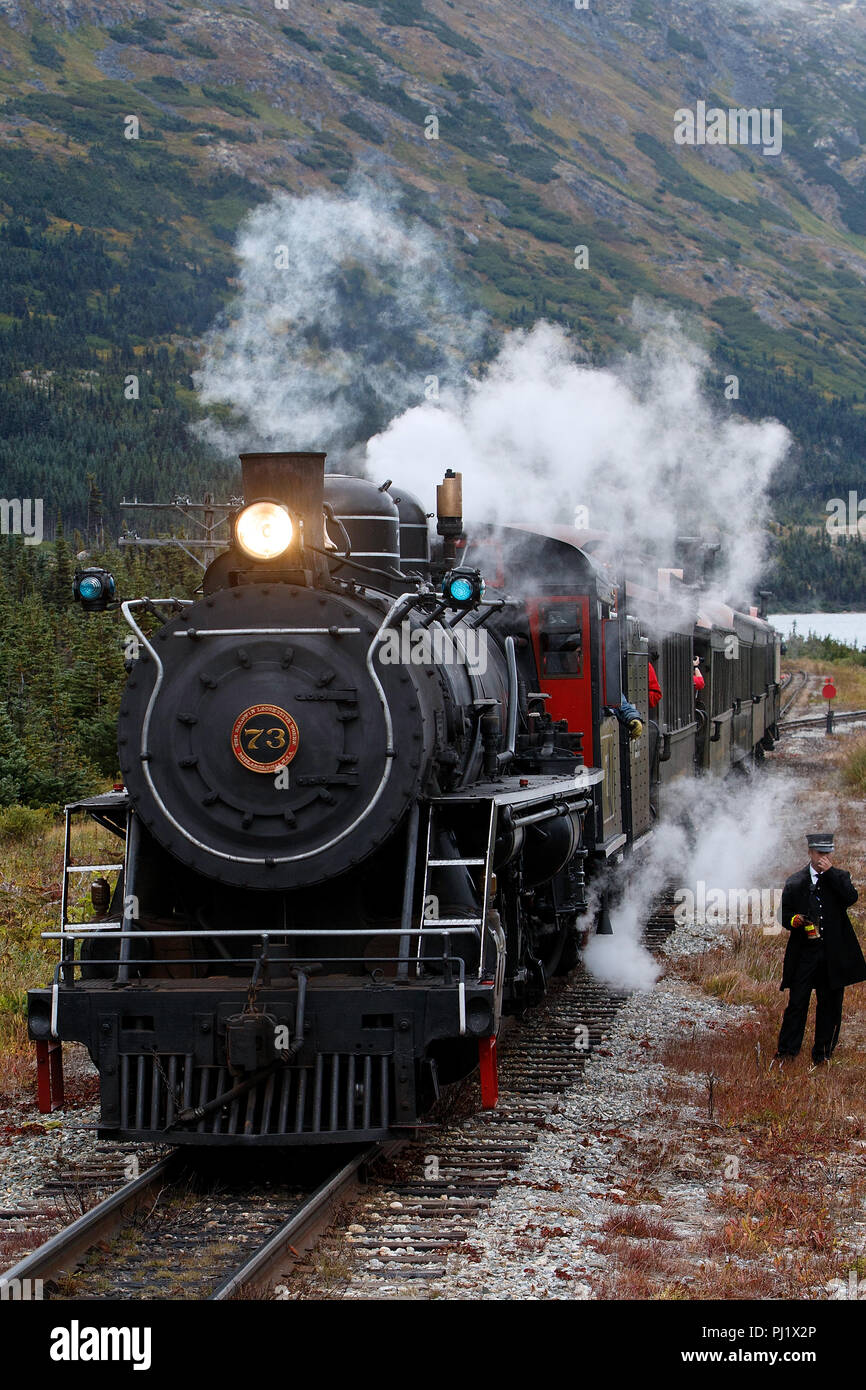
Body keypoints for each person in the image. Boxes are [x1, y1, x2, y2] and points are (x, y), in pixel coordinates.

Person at [774, 834, 866, 1067]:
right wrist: (795, 920)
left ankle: (823, 1053)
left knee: (831, 1004)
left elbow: (850, 897)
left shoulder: (839, 877)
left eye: (827, 854)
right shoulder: (796, 881)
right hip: (805, 953)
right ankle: (787, 1052)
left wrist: (831, 873)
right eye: (819, 854)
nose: (823, 858)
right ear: (810, 853)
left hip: (832, 954)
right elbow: (783, 916)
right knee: (797, 1002)